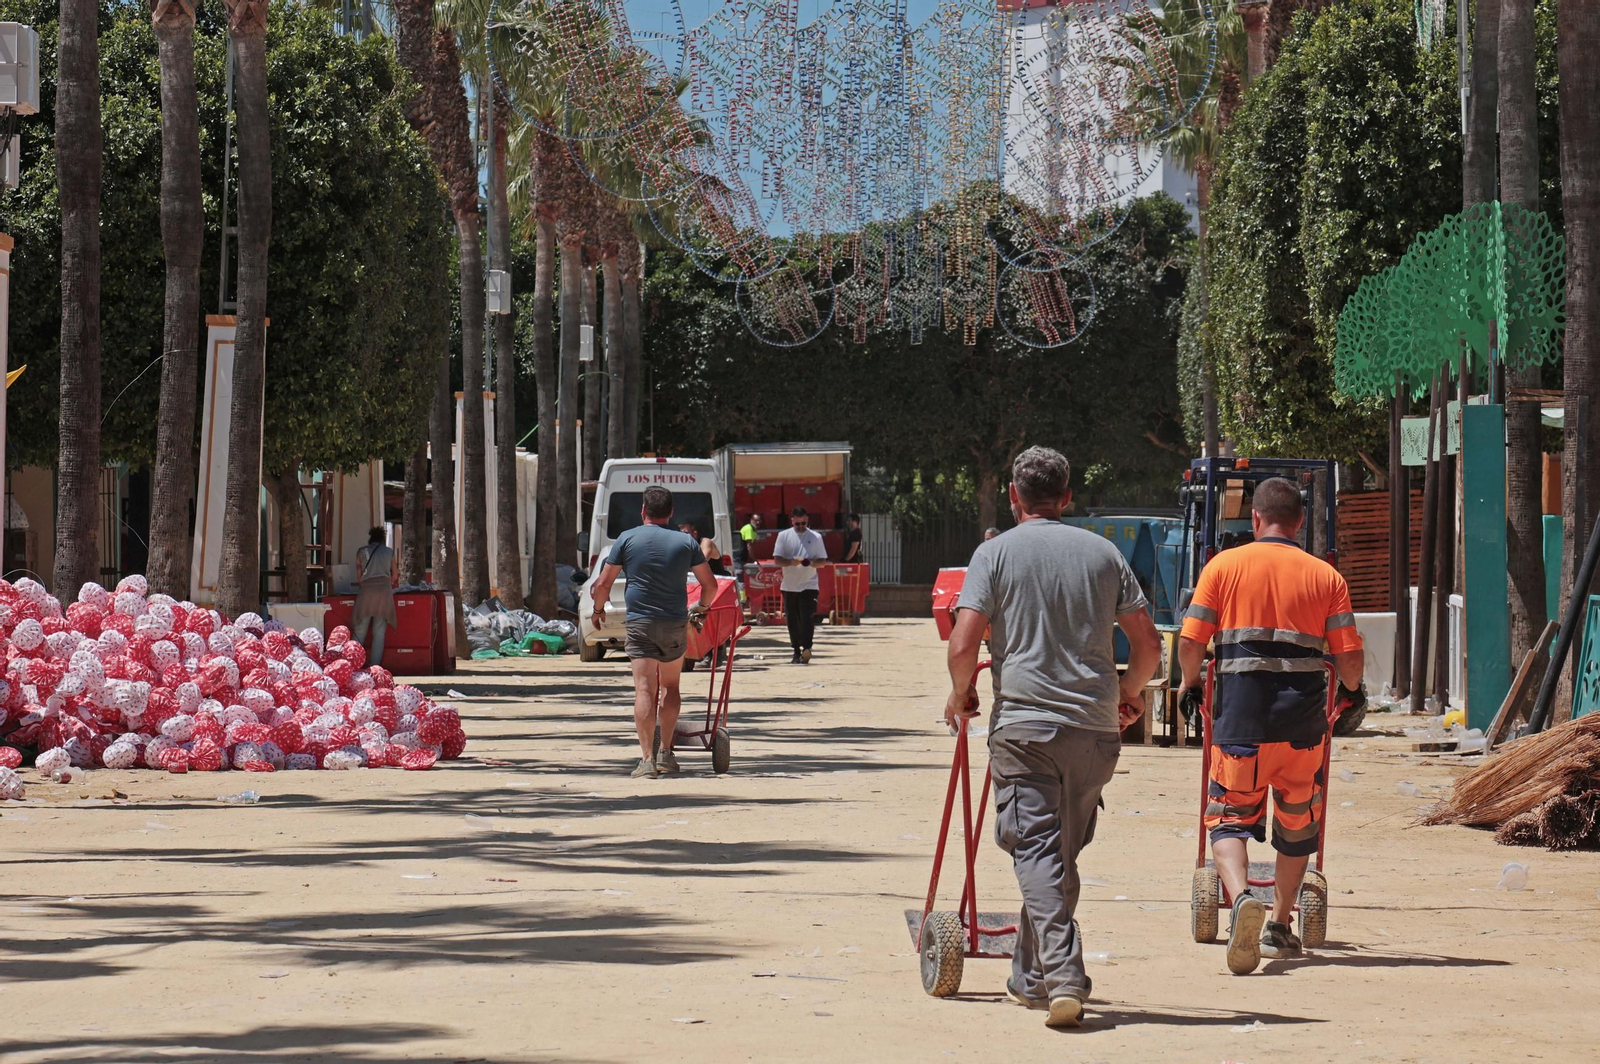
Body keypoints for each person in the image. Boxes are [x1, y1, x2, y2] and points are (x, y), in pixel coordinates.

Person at [946, 447, 1161, 1029]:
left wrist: (959, 693)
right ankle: (1031, 974)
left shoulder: (994, 554)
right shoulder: (1104, 554)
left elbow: (964, 646)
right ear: (1067, 497)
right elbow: (1148, 648)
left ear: (1015, 497)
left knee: (1038, 850)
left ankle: (1064, 975)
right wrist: (1129, 694)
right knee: (1058, 853)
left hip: (1024, 728)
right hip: (1093, 731)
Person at [1176, 477, 1366, 975]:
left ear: (1255, 519)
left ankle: (1241, 900)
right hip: (1303, 727)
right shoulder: (1326, 577)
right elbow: (1348, 656)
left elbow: (1192, 641)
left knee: (1228, 816)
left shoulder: (1222, 567)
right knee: (1298, 824)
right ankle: (1280, 925)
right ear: (1300, 522)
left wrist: (1189, 683)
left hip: (1240, 721)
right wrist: (1351, 692)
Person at [591, 486, 717, 779]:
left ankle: (647, 759)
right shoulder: (686, 542)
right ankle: (667, 753)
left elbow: (603, 585)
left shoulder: (626, 539)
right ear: (671, 512)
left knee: (644, 689)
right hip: (674, 622)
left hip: (640, 624)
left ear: (643, 510)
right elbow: (709, 586)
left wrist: (598, 611)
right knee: (671, 687)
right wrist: (701, 609)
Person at [773, 506, 828, 664]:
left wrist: (810, 562)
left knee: (807, 617)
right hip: (789, 585)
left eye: (803, 523)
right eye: (797, 524)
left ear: (807, 520)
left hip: (809, 584)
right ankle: (796, 650)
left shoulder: (816, 537)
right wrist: (791, 562)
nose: (800, 527)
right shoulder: (784, 536)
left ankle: (807, 648)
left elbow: (822, 561)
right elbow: (777, 559)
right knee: (792, 620)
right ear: (792, 521)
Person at [351, 527, 396, 669]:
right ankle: (375, 667)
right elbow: (394, 575)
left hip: (366, 592)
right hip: (384, 593)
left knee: (360, 630)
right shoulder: (389, 552)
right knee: (379, 632)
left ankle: (352, 664)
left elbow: (359, 576)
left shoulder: (361, 551)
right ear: (382, 538)